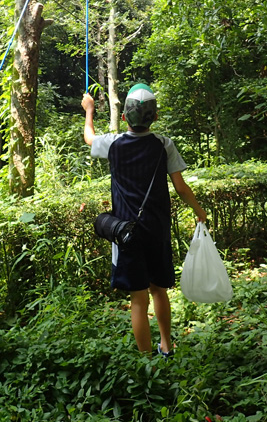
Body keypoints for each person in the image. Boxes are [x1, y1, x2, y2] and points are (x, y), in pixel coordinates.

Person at [82, 84, 207, 356]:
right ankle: (166, 346)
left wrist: (89, 109)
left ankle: (146, 359)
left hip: (126, 233)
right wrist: (199, 210)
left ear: (124, 117)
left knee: (138, 300)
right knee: (159, 290)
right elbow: (180, 187)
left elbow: (89, 137)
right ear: (155, 117)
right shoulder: (164, 145)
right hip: (157, 229)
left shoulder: (113, 143)